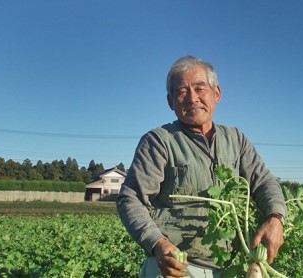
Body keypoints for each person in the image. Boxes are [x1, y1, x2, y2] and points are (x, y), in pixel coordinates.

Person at [116, 56, 286, 278]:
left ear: (217, 94)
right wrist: (157, 244)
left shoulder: (236, 139)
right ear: (170, 102)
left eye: (199, 88)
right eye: (182, 92)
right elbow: (131, 198)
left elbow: (263, 182)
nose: (192, 98)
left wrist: (276, 217)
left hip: (232, 268)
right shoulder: (159, 141)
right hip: (176, 268)